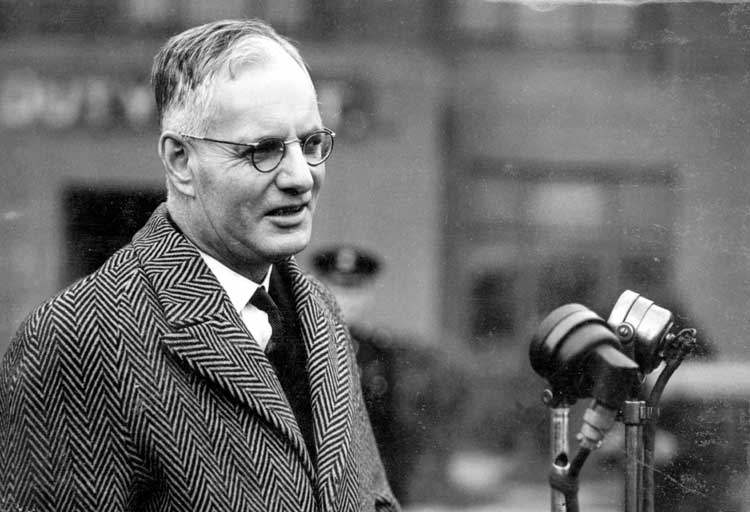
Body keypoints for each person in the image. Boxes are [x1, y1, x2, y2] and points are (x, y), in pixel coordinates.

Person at [0, 19, 398, 512]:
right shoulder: (77, 338)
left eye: (312, 143)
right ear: (180, 161)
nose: (301, 177)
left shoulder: (320, 315)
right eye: (264, 150)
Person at [310, 246, 466, 504]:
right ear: (319, 289)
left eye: (355, 289)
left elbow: (392, 429)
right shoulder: (303, 343)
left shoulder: (380, 351)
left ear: (369, 295)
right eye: (338, 288)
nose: (346, 299)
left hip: (368, 477)